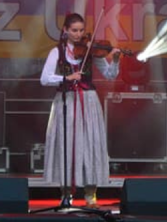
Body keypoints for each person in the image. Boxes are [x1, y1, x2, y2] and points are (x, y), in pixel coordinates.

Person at [40, 12, 120, 206]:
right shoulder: (57, 52)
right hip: (66, 101)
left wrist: (116, 60)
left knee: (90, 144)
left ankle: (90, 195)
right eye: (74, 30)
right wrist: (66, 78)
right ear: (65, 30)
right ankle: (66, 194)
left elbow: (110, 75)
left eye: (81, 30)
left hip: (89, 101)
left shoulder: (91, 50)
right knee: (66, 145)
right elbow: (44, 78)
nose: (78, 35)